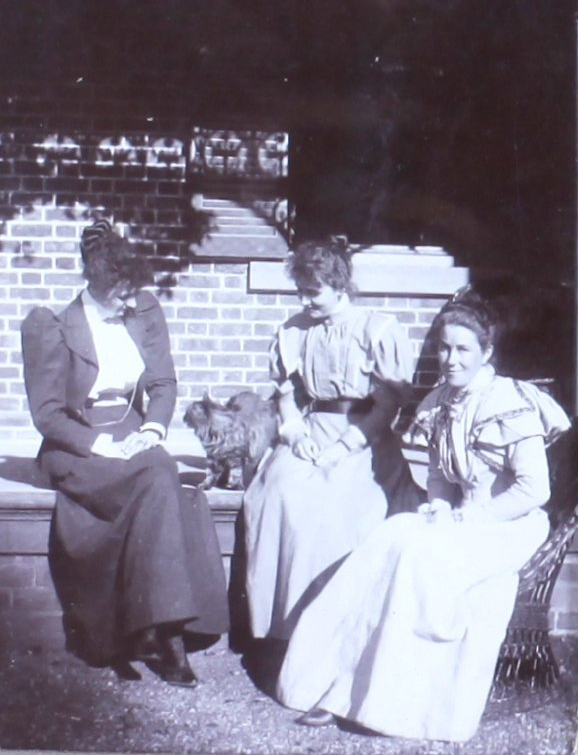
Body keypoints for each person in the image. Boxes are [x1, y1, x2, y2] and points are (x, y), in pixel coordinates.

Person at [276, 287, 571, 742]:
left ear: (486, 351)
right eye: (444, 348)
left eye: (463, 350)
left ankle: (392, 701)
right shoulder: (437, 402)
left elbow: (534, 489)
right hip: (458, 518)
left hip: (510, 526)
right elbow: (438, 473)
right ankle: (339, 688)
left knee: (417, 558)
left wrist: (475, 517)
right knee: (388, 540)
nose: (451, 359)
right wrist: (437, 502)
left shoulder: (509, 401)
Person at [21, 220, 229, 685]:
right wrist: (100, 444)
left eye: (134, 291)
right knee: (156, 481)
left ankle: (161, 627)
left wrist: (154, 428)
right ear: (94, 282)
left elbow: (162, 382)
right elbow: (48, 414)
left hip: (133, 431)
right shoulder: (51, 326)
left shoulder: (145, 310)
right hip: (76, 440)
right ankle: (164, 634)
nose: (131, 303)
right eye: (121, 294)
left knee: (160, 469)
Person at [243, 238, 420, 642]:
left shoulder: (376, 329)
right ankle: (282, 630)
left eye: (314, 292)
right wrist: (295, 433)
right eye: (300, 292)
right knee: (278, 492)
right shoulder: (293, 331)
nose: (305, 301)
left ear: (340, 285)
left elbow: (387, 405)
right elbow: (288, 397)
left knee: (335, 506)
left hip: (363, 438)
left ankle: (329, 631)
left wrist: (345, 447)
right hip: (312, 431)